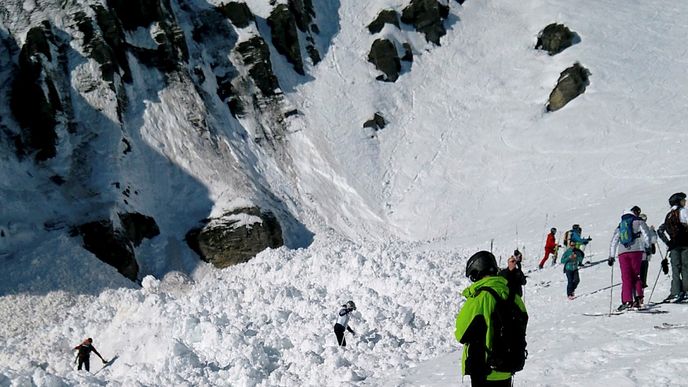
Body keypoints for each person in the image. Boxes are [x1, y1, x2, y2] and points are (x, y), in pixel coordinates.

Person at [455, 251, 528, 386]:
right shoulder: (514, 296)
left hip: (484, 371)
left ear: (477, 272)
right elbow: (523, 321)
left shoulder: (480, 298)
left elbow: (461, 334)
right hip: (508, 367)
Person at [608, 206, 651, 310]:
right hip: (636, 251)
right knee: (636, 275)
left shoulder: (620, 225)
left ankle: (627, 301)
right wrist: (648, 247)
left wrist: (611, 256)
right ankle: (638, 299)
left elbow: (614, 241)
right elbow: (646, 234)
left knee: (626, 277)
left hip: (622, 253)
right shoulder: (638, 221)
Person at [657, 192, 688, 303]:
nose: (685, 202)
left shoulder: (668, 214)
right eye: (683, 200)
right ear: (678, 201)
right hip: (685, 244)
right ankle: (686, 291)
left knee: (675, 269)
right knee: (686, 268)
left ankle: (675, 292)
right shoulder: (684, 211)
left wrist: (668, 243)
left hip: (673, 246)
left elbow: (660, 231)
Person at [639, 213, 657, 288]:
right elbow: (653, 239)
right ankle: (643, 283)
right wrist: (653, 231)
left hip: (635, 252)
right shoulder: (646, 228)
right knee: (644, 268)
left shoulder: (634, 227)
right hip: (644, 252)